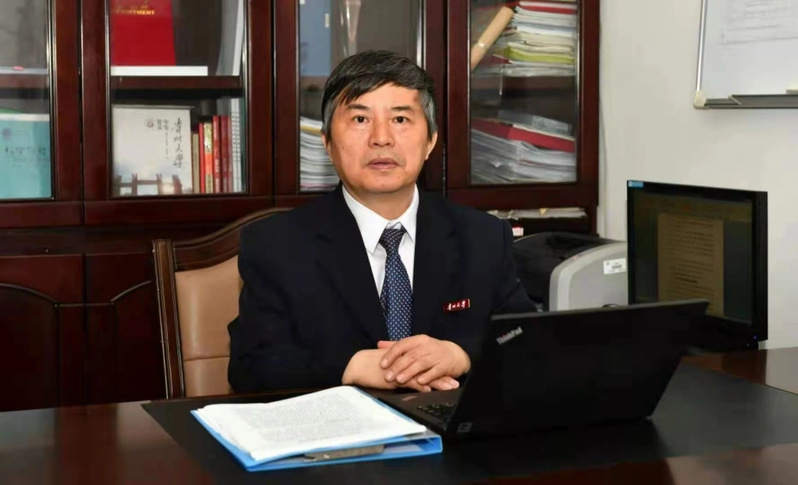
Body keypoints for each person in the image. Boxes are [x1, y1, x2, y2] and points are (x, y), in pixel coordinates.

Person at [228, 50, 534, 393]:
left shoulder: (483, 237)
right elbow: (251, 366)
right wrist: (351, 366)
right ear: (328, 142)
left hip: (448, 422)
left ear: (430, 141)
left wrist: (461, 354)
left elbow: (526, 339)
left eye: (400, 119)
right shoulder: (276, 245)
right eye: (360, 119)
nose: (381, 138)